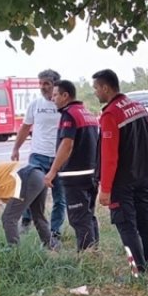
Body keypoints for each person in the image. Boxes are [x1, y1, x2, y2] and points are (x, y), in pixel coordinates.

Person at [92, 69, 148, 273]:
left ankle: (137, 271)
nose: (95, 93)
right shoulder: (137, 107)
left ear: (106, 88)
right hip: (142, 176)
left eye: (96, 88)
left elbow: (109, 157)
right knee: (146, 221)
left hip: (121, 181)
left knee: (126, 226)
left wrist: (105, 189)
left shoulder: (110, 114)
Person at [44, 80, 100, 252]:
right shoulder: (87, 113)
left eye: (55, 95)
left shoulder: (69, 115)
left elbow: (66, 145)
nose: (52, 99)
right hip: (91, 174)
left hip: (75, 176)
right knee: (88, 216)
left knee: (79, 219)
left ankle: (86, 257)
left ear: (65, 95)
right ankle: (94, 252)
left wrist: (52, 171)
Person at [11, 69, 65, 240]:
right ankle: (26, 221)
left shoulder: (64, 106)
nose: (42, 87)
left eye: (46, 84)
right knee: (29, 191)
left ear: (55, 85)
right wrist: (15, 148)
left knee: (60, 197)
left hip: (59, 158)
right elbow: (25, 127)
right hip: (38, 156)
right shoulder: (35, 105)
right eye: (40, 83)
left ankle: (54, 232)